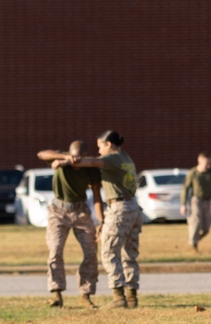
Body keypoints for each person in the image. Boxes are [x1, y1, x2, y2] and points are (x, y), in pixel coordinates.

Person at [51, 130, 141, 309]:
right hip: (133, 208)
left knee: (109, 252)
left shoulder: (111, 158)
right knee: (129, 253)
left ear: (108, 144)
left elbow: (92, 161)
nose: (98, 150)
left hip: (119, 208)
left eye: (99, 145)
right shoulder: (126, 157)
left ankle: (118, 297)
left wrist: (67, 161)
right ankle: (132, 296)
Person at [37, 141, 103, 308]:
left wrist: (101, 221)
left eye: (80, 159)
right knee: (55, 250)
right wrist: (64, 158)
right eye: (75, 157)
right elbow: (42, 154)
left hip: (81, 211)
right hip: (58, 211)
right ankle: (56, 294)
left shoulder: (91, 167)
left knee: (91, 252)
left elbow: (97, 196)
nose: (76, 162)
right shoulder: (61, 161)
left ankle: (85, 294)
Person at [180, 152, 211, 252]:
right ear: (200, 161)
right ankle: (193, 244)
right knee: (196, 223)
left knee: (206, 228)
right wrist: (183, 204)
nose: (208, 165)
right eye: (206, 163)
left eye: (210, 163)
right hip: (196, 201)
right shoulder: (193, 173)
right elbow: (185, 188)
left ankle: (194, 240)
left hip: (207, 201)